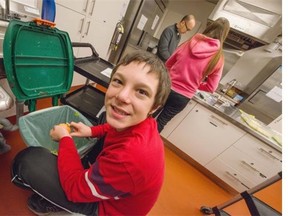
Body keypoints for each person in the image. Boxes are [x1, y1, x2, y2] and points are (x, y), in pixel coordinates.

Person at [11, 50, 171, 215]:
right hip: (116, 191)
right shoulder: (144, 122)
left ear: (154, 106)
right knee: (103, 119)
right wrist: (91, 130)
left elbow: (75, 188)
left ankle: (66, 206)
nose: (122, 96)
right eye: (118, 81)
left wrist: (65, 138)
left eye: (141, 92)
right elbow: (114, 127)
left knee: (29, 161)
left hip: (107, 209)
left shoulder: (129, 158)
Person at [155, 17, 230, 132]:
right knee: (161, 122)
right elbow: (211, 87)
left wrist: (173, 77)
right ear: (224, 35)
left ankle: (127, 141)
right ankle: (142, 147)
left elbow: (169, 64)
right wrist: (195, 84)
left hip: (167, 87)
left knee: (148, 114)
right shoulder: (218, 58)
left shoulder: (190, 42)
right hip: (183, 97)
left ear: (210, 27)